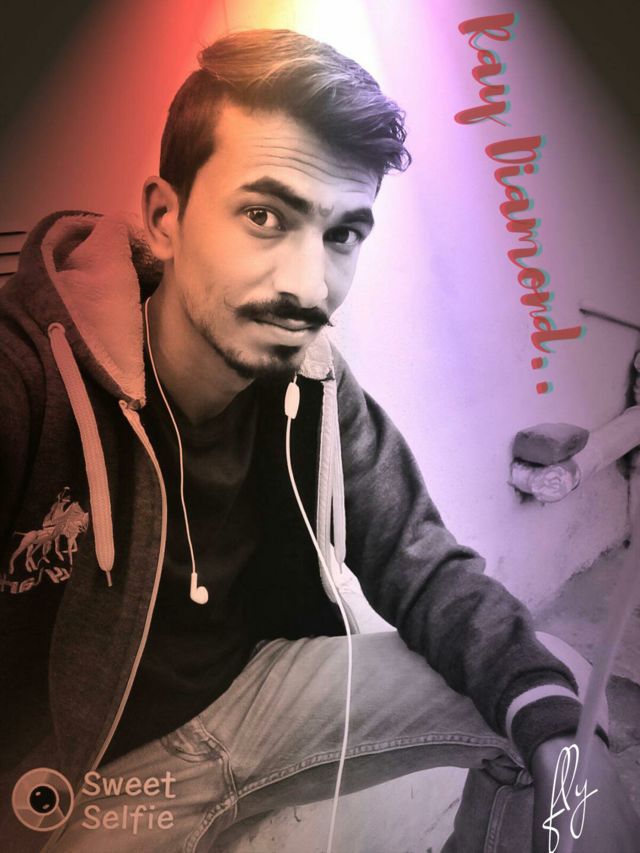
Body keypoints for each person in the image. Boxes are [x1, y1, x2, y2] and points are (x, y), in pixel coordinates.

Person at [0, 28, 637, 853]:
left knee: (555, 696)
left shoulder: (312, 379)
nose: (308, 284)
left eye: (342, 234)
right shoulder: (32, 380)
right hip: (81, 780)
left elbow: (422, 562)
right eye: (264, 215)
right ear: (165, 217)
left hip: (252, 698)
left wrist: (566, 758)